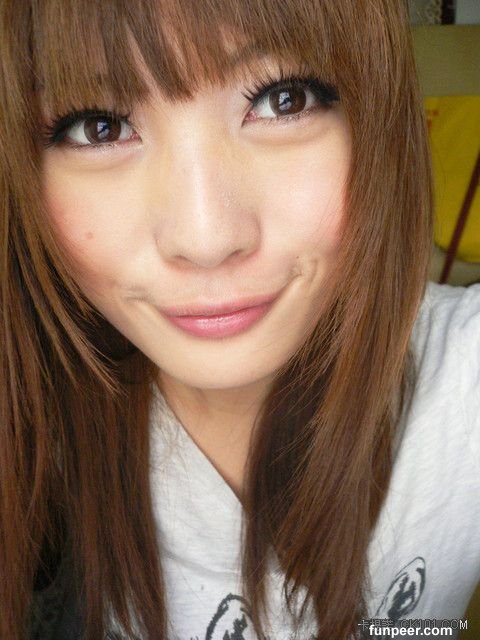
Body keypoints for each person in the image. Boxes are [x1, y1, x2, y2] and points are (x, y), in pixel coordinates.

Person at [0, 0, 478, 639]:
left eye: (284, 99)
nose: (206, 238)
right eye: (99, 127)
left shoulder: (464, 381)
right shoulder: (33, 439)